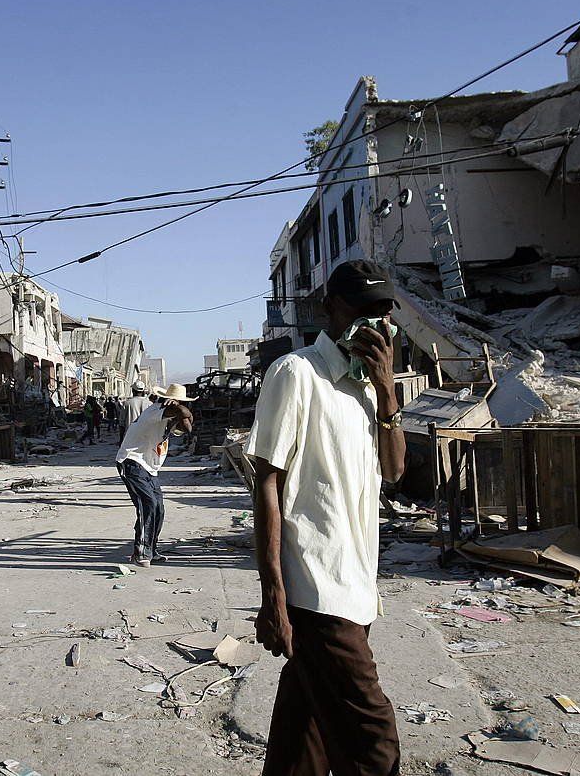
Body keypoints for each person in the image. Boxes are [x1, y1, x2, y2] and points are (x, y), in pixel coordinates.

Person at [245, 259, 407, 776]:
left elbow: (396, 469)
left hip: (357, 584)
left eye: (385, 312)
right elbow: (266, 481)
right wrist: (273, 594)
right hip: (316, 589)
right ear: (331, 309)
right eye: (365, 310)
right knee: (371, 736)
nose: (377, 323)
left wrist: (386, 392)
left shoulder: (366, 385)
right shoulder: (297, 373)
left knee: (304, 728)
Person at [115, 383, 194, 567]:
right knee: (148, 504)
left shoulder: (169, 416)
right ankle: (141, 552)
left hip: (149, 468)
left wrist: (180, 409)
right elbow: (184, 413)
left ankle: (151, 549)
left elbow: (188, 426)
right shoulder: (155, 411)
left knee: (158, 507)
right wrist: (176, 407)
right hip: (131, 462)